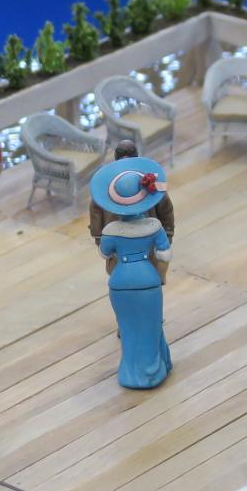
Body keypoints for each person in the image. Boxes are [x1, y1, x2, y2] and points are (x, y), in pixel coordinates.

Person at [90, 154, 173, 390]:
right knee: (152, 325)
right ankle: (155, 370)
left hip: (120, 282)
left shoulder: (111, 230)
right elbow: (164, 254)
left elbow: (104, 253)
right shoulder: (154, 226)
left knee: (128, 328)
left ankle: (131, 373)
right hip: (148, 280)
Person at [89, 140, 175, 245]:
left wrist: (99, 238)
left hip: (140, 236)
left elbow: (165, 208)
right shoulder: (152, 182)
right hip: (123, 238)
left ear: (115, 156)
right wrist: (168, 233)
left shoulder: (102, 187)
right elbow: (166, 209)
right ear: (137, 155)